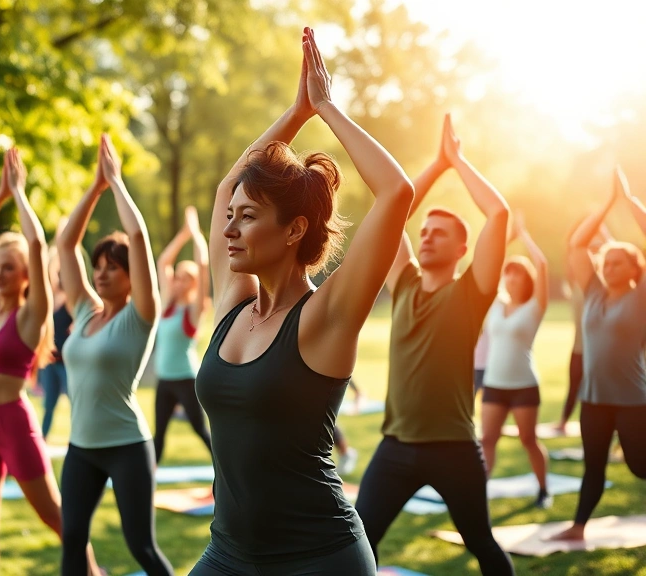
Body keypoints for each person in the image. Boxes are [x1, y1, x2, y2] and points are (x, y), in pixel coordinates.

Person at [189, 27, 413, 575]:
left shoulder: (324, 318)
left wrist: (328, 109)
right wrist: (297, 112)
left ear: (294, 231)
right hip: (229, 556)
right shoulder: (234, 307)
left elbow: (397, 192)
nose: (230, 229)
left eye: (248, 217)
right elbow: (227, 187)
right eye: (231, 219)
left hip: (317, 560)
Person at [354, 114, 515, 575]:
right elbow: (393, 206)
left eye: (439, 233)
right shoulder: (402, 281)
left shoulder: (471, 292)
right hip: (396, 446)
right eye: (423, 232)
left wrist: (457, 163)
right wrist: (435, 164)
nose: (426, 237)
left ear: (462, 249)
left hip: (453, 447)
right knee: (360, 541)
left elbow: (498, 214)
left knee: (480, 540)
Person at [0, 149, 100, 576]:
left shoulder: (30, 314)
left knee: (57, 518)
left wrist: (19, 194)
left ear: (26, 276)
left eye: (8, 269)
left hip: (12, 425)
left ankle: (92, 572)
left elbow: (37, 243)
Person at [57, 134, 173, 576]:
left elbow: (138, 236)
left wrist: (117, 182)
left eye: (113, 267)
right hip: (81, 448)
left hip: (126, 446)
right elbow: (66, 245)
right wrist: (95, 188)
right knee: (71, 543)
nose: (101, 273)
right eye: (98, 266)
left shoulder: (140, 315)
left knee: (140, 547)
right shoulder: (84, 310)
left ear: (131, 277)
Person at [551, 166, 646, 541]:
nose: (607, 267)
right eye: (605, 262)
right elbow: (577, 245)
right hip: (593, 400)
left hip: (633, 401)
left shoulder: (640, 298)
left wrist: (630, 202)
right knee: (593, 467)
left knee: (640, 468)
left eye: (616, 263)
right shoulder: (592, 291)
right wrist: (606, 204)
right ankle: (577, 527)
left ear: (634, 268)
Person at [479, 213, 551, 508]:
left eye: (517, 273)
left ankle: (544, 490)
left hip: (523, 385)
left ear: (527, 279)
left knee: (528, 440)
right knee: (487, 441)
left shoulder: (536, 306)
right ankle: (478, 494)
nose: (510, 277)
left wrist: (524, 236)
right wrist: (506, 239)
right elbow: (490, 266)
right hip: (494, 383)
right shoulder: (495, 303)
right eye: (508, 273)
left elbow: (543, 265)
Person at [153, 205, 212, 464]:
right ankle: (147, 483)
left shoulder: (193, 310)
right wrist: (183, 234)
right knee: (158, 436)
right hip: (164, 380)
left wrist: (197, 234)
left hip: (187, 380)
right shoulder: (166, 305)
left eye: (183, 278)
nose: (176, 281)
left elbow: (202, 263)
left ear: (193, 284)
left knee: (201, 431)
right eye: (176, 277)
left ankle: (226, 475)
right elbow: (162, 262)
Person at [554, 224, 611, 435]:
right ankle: (563, 421)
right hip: (579, 347)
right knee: (574, 386)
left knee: (604, 393)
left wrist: (605, 236)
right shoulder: (578, 282)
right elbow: (573, 252)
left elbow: (617, 253)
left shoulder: (604, 287)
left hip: (601, 351)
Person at [40, 217, 72, 440]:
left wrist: (66, 242)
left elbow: (68, 263)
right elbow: (49, 268)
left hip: (68, 363)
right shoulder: (51, 297)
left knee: (77, 404)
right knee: (49, 405)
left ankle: (78, 439)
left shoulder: (70, 298)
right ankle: (41, 439)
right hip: (51, 362)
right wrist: (58, 244)